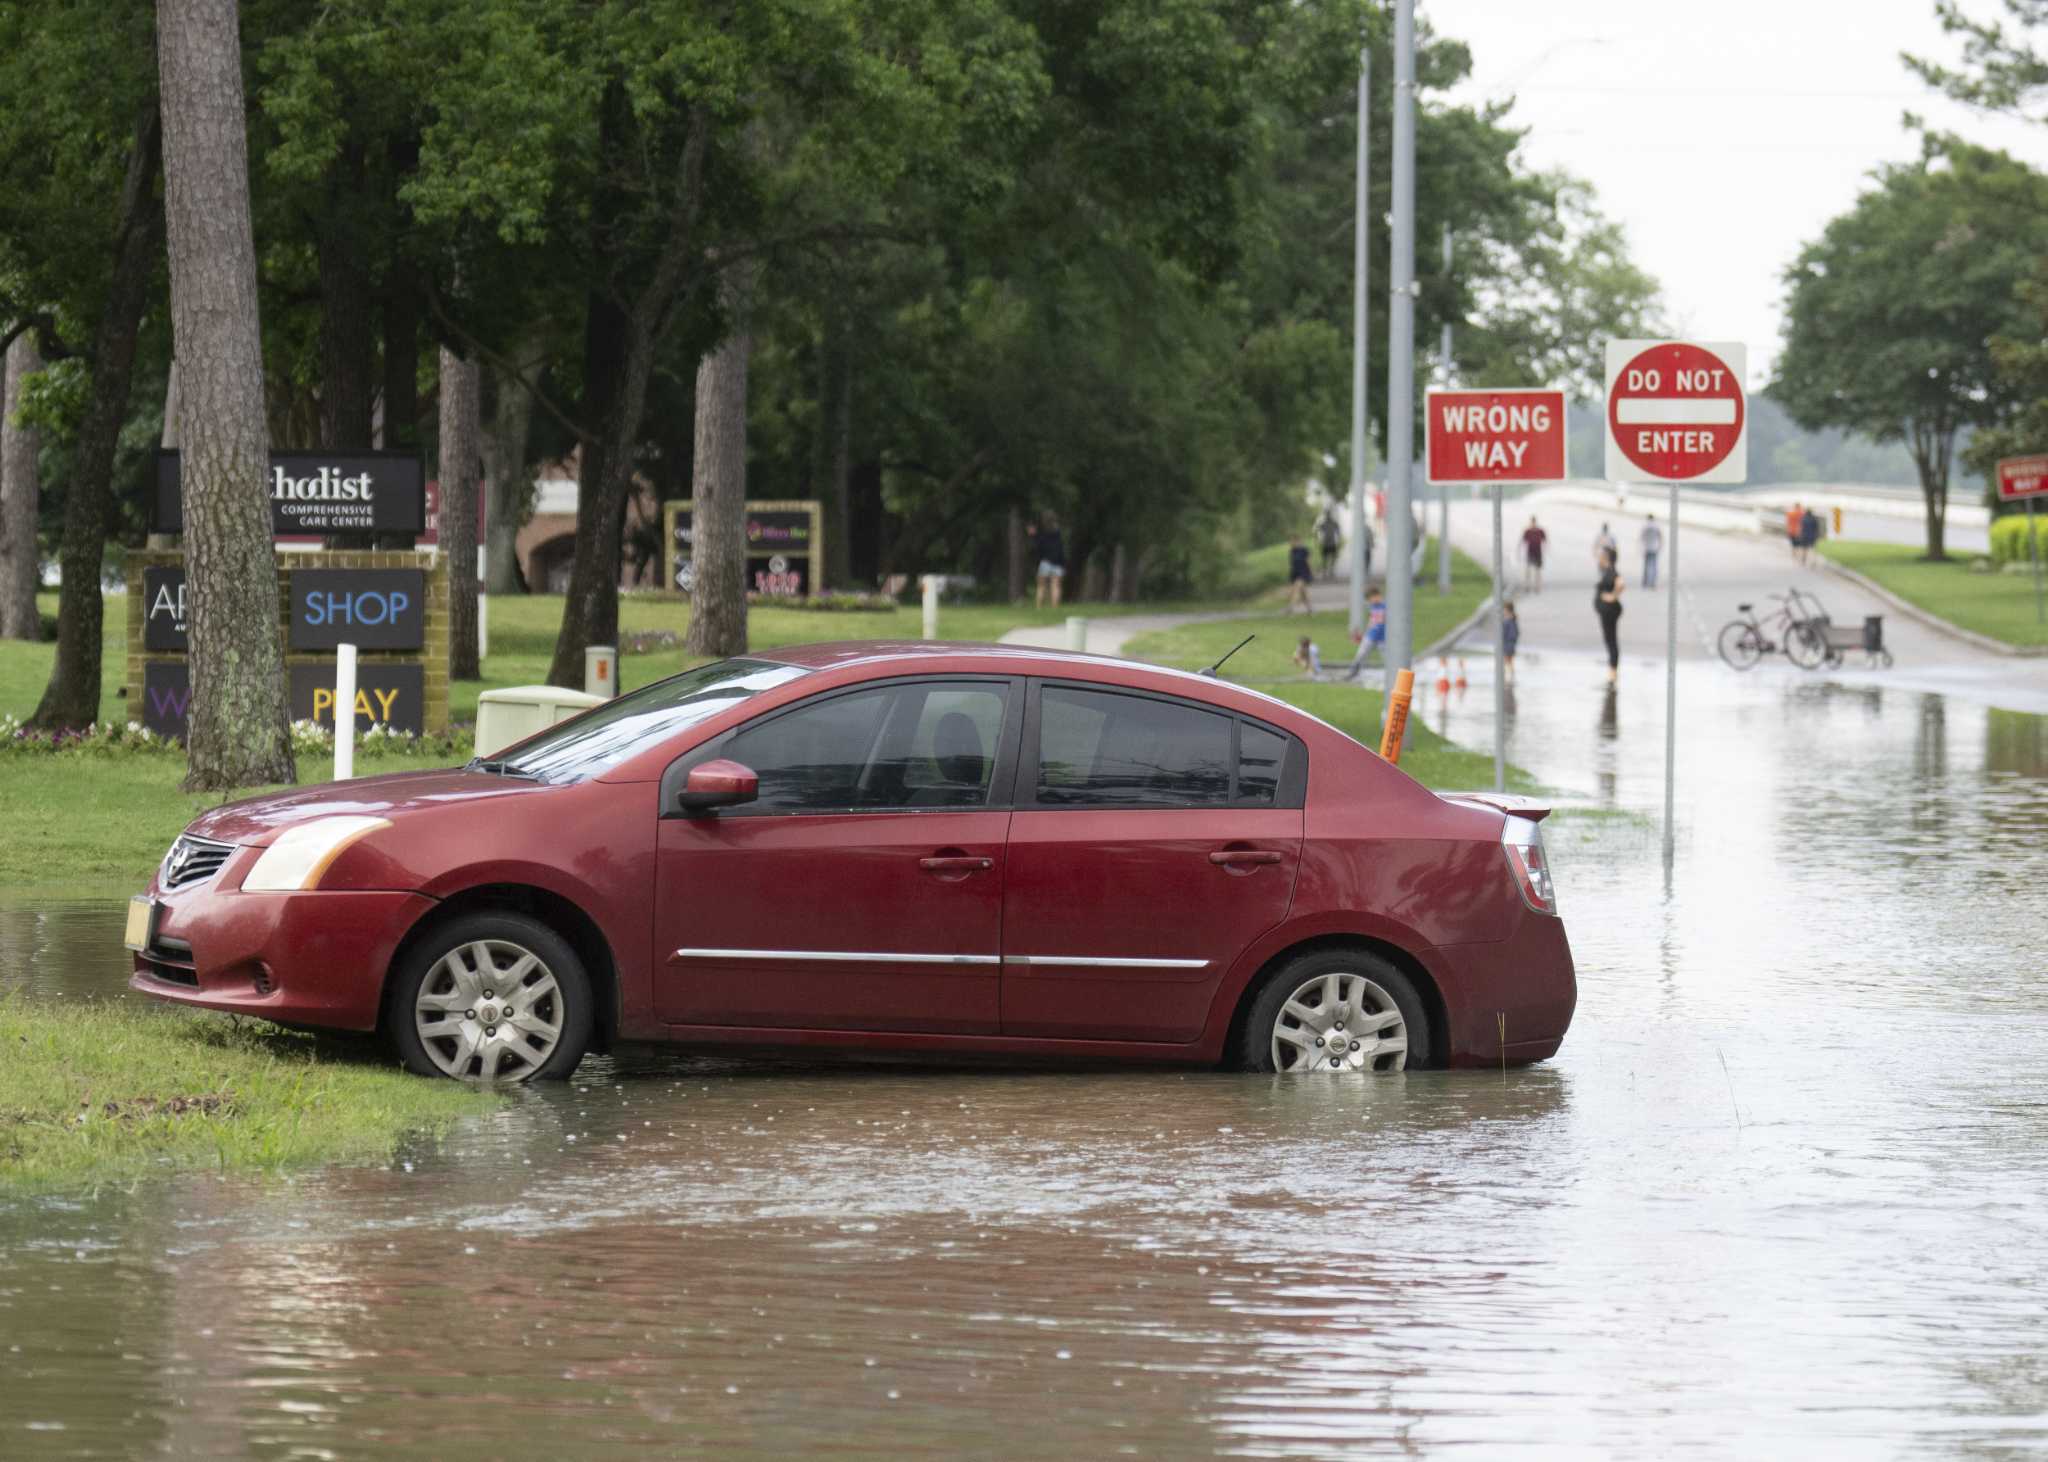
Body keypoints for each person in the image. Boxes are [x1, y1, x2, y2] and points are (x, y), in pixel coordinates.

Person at [1593, 545, 1625, 685]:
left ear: (1606, 558)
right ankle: (1612, 671)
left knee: (1611, 640)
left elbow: (1621, 583)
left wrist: (1613, 596)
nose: (1598, 558)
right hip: (1607, 611)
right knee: (1609, 640)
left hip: (1610, 611)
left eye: (1601, 556)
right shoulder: (1606, 571)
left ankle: (1613, 672)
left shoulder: (1611, 571)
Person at [1345, 586, 1387, 677]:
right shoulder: (1373, 606)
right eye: (1369, 600)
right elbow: (1371, 620)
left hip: (1382, 638)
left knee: (1387, 658)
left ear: (1377, 595)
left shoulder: (1385, 606)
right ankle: (1353, 672)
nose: (1371, 601)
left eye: (1371, 598)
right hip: (1371, 636)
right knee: (1361, 654)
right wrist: (1365, 633)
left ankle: (1393, 675)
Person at [1032, 511, 1065, 610]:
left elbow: (1039, 546)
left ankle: (1039, 607)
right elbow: (1060, 548)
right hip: (1058, 562)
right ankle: (1055, 607)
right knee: (1056, 586)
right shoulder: (1058, 532)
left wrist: (1034, 536)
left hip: (1045, 562)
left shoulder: (1042, 533)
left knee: (1041, 587)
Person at [1520, 516, 1548, 593]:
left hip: (1538, 552)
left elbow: (1545, 540)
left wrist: (1546, 548)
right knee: (1528, 569)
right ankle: (1527, 585)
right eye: (1532, 522)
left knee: (1537, 570)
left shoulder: (1540, 531)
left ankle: (1537, 586)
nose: (1533, 523)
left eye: (1534, 522)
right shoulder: (1527, 531)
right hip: (1530, 551)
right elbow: (1523, 541)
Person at [1287, 535, 1313, 613]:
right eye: (1290, 541)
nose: (1291, 543)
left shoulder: (1305, 550)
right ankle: (1310, 609)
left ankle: (1291, 608)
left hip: (1303, 573)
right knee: (1303, 592)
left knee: (1297, 589)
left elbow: (1308, 561)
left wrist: (1311, 572)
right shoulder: (1292, 551)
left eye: (1293, 541)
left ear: (1298, 541)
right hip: (1295, 573)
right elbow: (1292, 563)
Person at [1315, 507, 1342, 580]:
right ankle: (1325, 571)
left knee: (1333, 557)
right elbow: (1317, 530)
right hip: (1325, 543)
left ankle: (1331, 570)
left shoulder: (1334, 523)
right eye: (1327, 514)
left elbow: (1338, 532)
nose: (1328, 516)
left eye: (1328, 514)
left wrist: (1339, 541)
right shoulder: (1323, 523)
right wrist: (1318, 540)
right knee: (1325, 558)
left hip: (1332, 543)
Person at [1640, 513, 1663, 590]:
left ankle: (1646, 582)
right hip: (1654, 548)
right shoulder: (1656, 526)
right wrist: (1660, 546)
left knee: (1646, 566)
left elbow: (1642, 537)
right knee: (1653, 566)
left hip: (1647, 548)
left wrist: (1642, 547)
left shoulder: (1645, 526)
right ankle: (1652, 582)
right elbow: (1660, 537)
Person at [1500, 599, 1519, 684]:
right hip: (1508, 643)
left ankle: (1509, 677)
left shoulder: (1510, 620)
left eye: (1504, 609)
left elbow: (1513, 633)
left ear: (1508, 609)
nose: (1503, 611)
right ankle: (1509, 676)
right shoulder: (1510, 619)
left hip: (1508, 643)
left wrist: (1509, 641)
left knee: (1507, 660)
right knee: (1508, 661)